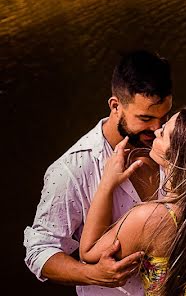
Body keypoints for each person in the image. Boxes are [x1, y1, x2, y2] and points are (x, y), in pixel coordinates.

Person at [24, 50, 174, 295]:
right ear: (116, 106)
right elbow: (39, 250)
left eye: (164, 116)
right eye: (145, 118)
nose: (157, 129)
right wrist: (94, 274)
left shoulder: (169, 142)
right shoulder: (72, 170)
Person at [79, 105, 186, 296]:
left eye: (164, 133)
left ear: (177, 156)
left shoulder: (149, 218)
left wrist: (107, 184)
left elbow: (89, 252)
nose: (157, 130)